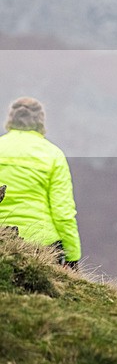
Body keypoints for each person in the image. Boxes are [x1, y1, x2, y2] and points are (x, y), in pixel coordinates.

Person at [0, 97, 81, 268]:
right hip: (42, 246)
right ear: (40, 122)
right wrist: (72, 256)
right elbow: (63, 212)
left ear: (10, 119)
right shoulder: (53, 155)